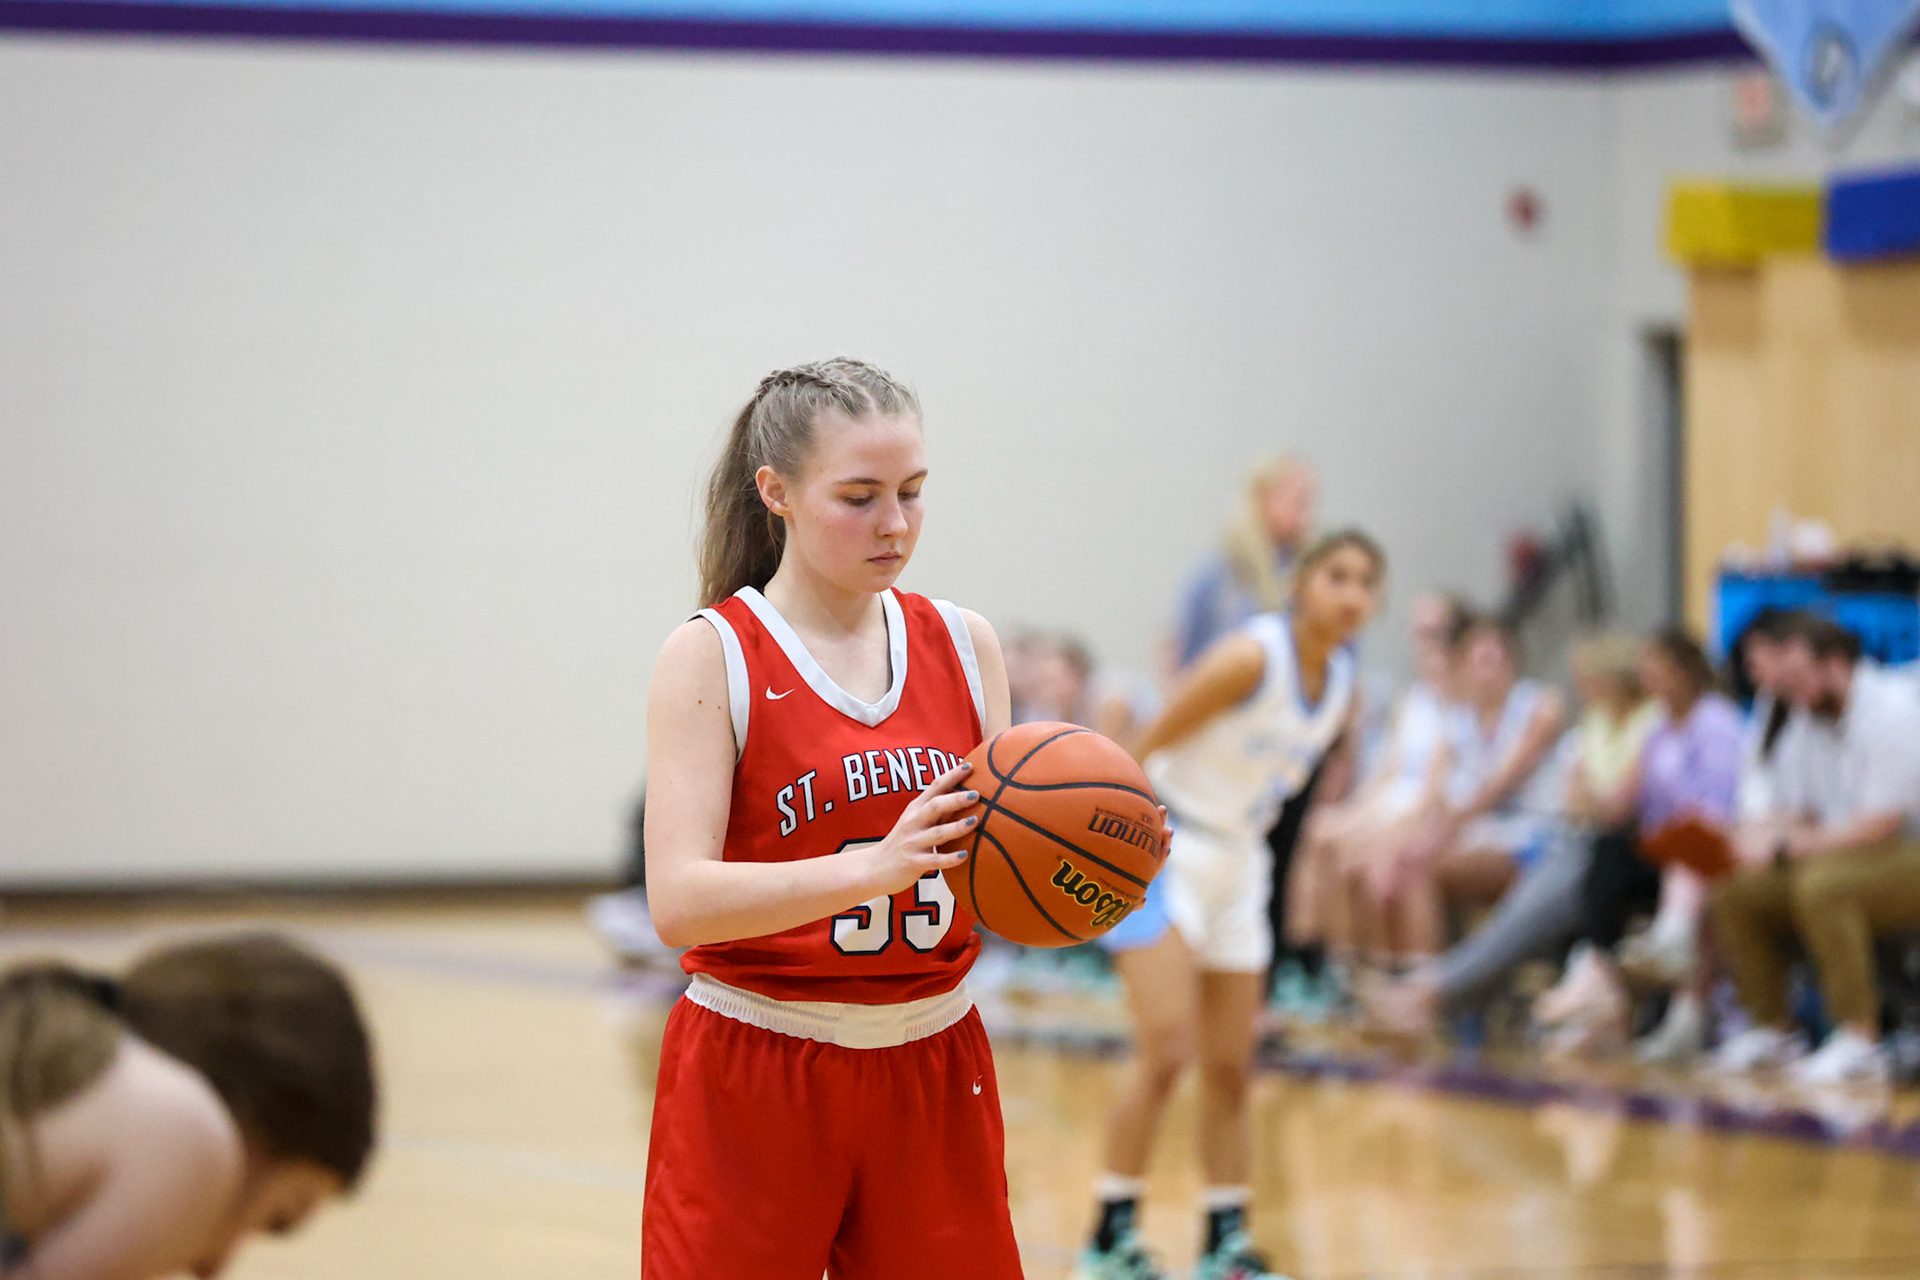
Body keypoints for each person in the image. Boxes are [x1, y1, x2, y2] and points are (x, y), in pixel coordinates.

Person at [639, 358, 1033, 1280]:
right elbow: (678, 902)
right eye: (859, 496)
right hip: (759, 1059)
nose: (894, 524)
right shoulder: (711, 656)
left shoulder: (966, 645)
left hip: (935, 1059)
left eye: (912, 492)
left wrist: (1089, 869)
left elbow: (1000, 878)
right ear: (774, 491)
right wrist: (869, 870)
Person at [1075, 530, 1384, 1280]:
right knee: (1166, 1050)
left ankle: (1225, 1244)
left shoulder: (1343, 684)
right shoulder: (1252, 656)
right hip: (1169, 844)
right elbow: (1145, 745)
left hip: (1242, 863)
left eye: (1367, 583)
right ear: (1301, 584)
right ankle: (1108, 1235)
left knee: (1231, 1069)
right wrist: (1111, 850)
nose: (1352, 595)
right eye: (1336, 576)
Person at [0, 934, 376, 1278]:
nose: (212, 1269)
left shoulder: (55, 1050)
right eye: (277, 1218)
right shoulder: (188, 1135)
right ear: (246, 1121)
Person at [1708, 615, 1920, 1085]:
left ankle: (1859, 1037)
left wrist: (1789, 846)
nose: (1794, 692)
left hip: (1905, 851)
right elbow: (1799, 810)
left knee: (1823, 885)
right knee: (1737, 888)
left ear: (1835, 662)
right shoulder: (1806, 719)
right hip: (1846, 852)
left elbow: (1882, 826)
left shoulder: (1893, 710)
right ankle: (1773, 1031)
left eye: (1801, 678)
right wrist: (1749, 836)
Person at [1284, 592, 1465, 996]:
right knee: (1319, 831)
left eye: (1434, 635)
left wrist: (1373, 826)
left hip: (1422, 810)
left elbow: (1437, 785)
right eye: (1419, 635)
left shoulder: (1459, 702)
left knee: (1357, 856)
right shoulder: (1415, 699)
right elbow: (1387, 772)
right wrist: (1358, 813)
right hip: (1391, 803)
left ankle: (1367, 975)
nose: (1425, 645)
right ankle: (1323, 960)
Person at [1371, 616, 1565, 962]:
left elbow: (1500, 787)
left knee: (1423, 869)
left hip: (1533, 840)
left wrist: (1438, 839)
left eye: (1496, 658)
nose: (1488, 669)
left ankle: (1425, 982)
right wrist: (1423, 839)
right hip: (1480, 835)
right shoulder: (1459, 717)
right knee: (1396, 862)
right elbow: (1440, 791)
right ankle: (1392, 971)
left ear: (1513, 661)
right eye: (1479, 659)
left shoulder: (1540, 706)